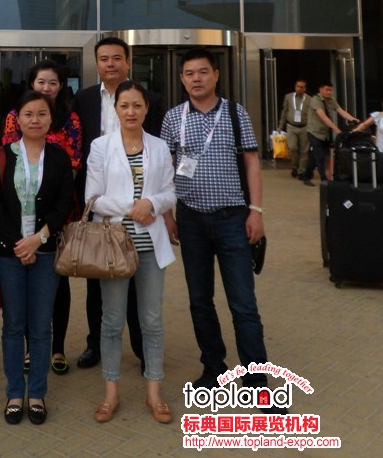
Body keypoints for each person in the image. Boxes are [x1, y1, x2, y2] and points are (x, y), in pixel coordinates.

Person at [160, 47, 272, 392]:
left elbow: (252, 163)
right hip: (190, 219)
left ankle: (256, 380)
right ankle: (213, 368)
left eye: (203, 71)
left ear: (216, 75)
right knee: (199, 300)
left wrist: (256, 211)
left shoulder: (236, 113)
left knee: (243, 303)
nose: (196, 78)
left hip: (233, 219)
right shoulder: (173, 118)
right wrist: (167, 215)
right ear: (182, 79)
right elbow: (164, 169)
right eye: (189, 73)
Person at [86, 81, 176, 424]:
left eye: (137, 105)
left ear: (146, 109)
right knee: (111, 321)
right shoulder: (100, 146)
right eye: (124, 105)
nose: (131, 111)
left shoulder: (159, 146)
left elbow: (170, 192)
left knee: (151, 321)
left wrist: (152, 203)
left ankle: (154, 391)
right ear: (115, 109)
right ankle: (111, 391)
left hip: (150, 247)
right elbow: (92, 198)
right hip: (113, 245)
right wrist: (133, 207)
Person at [0, 91, 74, 426]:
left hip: (46, 252)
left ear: (51, 119)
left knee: (40, 327)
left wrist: (38, 239)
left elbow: (65, 204)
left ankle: (36, 393)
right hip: (10, 253)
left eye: (41, 114)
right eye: (28, 114)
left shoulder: (60, 157)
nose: (35, 120)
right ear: (17, 119)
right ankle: (14, 393)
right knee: (13, 326)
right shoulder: (1, 156)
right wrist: (17, 243)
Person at [1, 59, 82, 375]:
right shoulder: (15, 116)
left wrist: (47, 225)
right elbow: (9, 161)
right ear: (31, 84)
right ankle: (27, 349)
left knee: (58, 283)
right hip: (20, 215)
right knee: (21, 289)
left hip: (57, 215)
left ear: (61, 86)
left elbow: (73, 163)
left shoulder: (70, 119)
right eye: (40, 82)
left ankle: (56, 347)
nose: (46, 87)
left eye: (53, 82)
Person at [72, 36, 148, 371]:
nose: (111, 64)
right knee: (97, 275)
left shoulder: (148, 99)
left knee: (138, 278)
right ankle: (96, 343)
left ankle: (142, 346)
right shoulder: (84, 99)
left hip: (140, 205)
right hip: (100, 202)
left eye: (117, 58)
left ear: (127, 61)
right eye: (104, 59)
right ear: (97, 64)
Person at [303, 82, 358, 185]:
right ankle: (324, 179)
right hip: (314, 132)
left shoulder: (332, 100)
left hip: (324, 134)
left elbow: (341, 111)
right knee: (320, 156)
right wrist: (336, 129)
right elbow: (323, 117)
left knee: (315, 155)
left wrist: (353, 119)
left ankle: (306, 176)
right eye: (326, 90)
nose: (329, 92)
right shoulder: (315, 100)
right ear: (320, 90)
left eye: (330, 90)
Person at [277, 79, 311, 178]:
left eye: (301, 87)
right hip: (291, 127)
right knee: (292, 148)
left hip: (304, 127)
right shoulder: (288, 97)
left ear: (305, 89)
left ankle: (301, 171)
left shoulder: (310, 99)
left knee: (304, 150)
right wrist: (280, 126)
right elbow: (284, 111)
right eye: (297, 86)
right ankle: (295, 165)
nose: (299, 88)